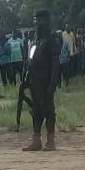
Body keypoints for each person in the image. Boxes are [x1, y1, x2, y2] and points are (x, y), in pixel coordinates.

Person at [22, 9, 60, 151]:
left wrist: (52, 83)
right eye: (36, 20)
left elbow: (55, 64)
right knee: (36, 110)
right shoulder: (35, 40)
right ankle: (36, 140)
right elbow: (30, 60)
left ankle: (50, 141)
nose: (37, 23)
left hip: (46, 81)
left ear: (47, 21)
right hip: (34, 81)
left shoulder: (52, 39)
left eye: (40, 20)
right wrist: (26, 77)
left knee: (49, 110)